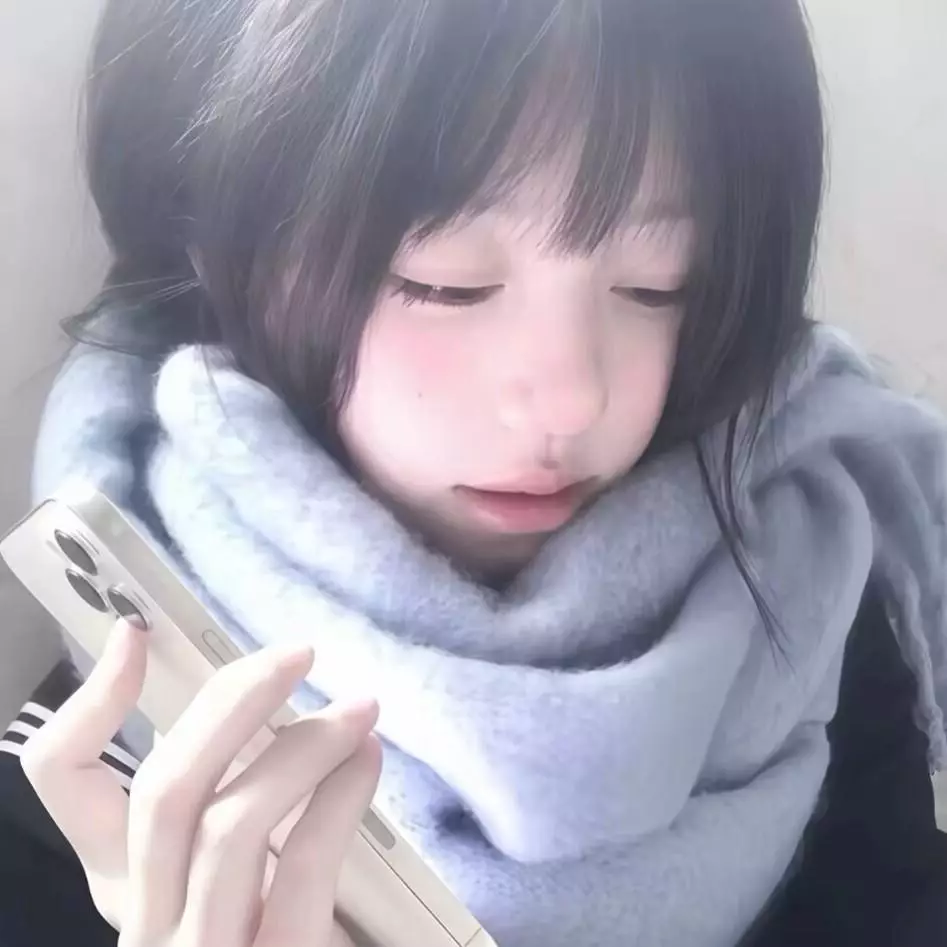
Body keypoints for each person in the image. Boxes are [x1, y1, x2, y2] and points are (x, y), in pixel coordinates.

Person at [1, 0, 947, 945]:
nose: (571, 397)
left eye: (656, 283)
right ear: (210, 246)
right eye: (445, 281)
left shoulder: (797, 597)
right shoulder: (78, 798)